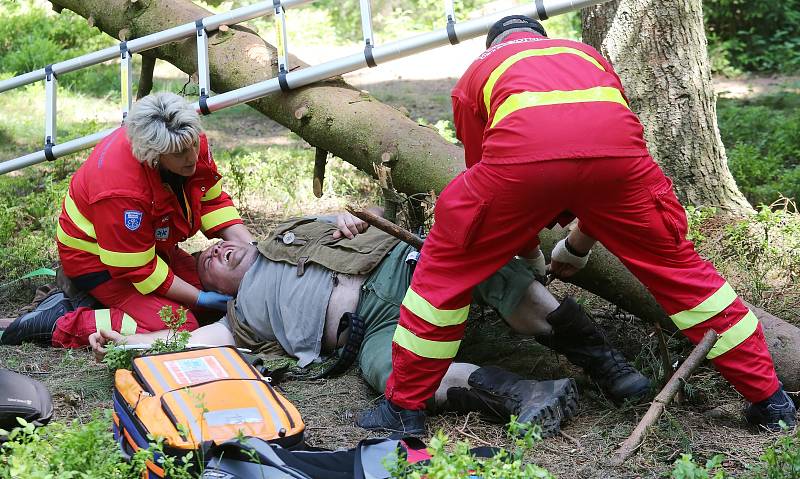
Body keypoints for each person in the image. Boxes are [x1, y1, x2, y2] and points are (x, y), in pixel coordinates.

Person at [357, 16, 796, 433]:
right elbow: (601, 151)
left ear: (493, 45)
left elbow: (489, 174)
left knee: (445, 277)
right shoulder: (587, 56)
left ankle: (403, 408)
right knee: (686, 276)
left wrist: (526, 248)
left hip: (522, 166)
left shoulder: (479, 71)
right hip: (619, 168)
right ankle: (771, 401)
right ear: (542, 36)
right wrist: (577, 246)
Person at [87, 212, 651, 436]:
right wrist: (124, 342)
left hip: (396, 270)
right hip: (370, 332)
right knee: (391, 376)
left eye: (219, 246)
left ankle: (607, 365)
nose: (216, 252)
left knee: (491, 277)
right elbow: (182, 340)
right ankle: (529, 393)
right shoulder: (239, 322)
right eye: (207, 261)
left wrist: (341, 218)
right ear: (214, 288)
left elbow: (349, 217)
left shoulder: (282, 233)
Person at [1, 92, 252, 348]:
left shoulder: (184, 135)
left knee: (214, 289)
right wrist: (198, 298)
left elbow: (210, 199)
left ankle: (94, 301)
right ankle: (58, 321)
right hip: (98, 262)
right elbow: (138, 269)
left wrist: (254, 251)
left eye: (193, 146)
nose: (191, 157)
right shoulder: (121, 189)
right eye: (179, 153)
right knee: (180, 324)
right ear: (154, 155)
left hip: (147, 247)